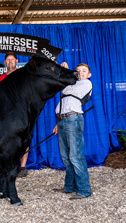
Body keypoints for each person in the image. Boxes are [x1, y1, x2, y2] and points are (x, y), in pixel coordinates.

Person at [52, 62, 92, 200]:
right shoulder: (71, 84)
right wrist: (58, 123)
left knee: (76, 156)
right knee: (66, 157)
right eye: (78, 70)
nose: (80, 72)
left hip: (73, 119)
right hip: (63, 119)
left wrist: (67, 71)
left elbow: (69, 90)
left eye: (83, 71)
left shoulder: (86, 84)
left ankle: (84, 190)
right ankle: (69, 187)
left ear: (88, 75)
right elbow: (64, 92)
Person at [0, 52, 29, 178]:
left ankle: (22, 167)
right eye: (8, 60)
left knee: (24, 140)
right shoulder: (1, 78)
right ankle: (8, 167)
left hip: (22, 113)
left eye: (12, 59)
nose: (10, 61)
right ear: (5, 63)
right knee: (6, 141)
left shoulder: (24, 76)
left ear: (17, 61)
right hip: (6, 114)